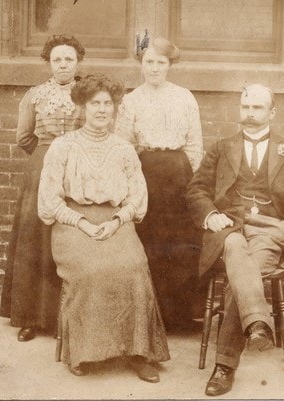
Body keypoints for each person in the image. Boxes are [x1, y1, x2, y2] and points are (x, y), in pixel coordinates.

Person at [186, 84, 284, 397]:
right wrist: (210, 215)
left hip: (271, 228)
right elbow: (196, 190)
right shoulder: (222, 147)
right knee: (236, 253)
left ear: (272, 112)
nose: (250, 114)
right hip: (228, 227)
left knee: (243, 273)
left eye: (258, 108)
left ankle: (224, 366)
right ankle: (257, 326)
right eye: (245, 107)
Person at [38, 74, 169, 380]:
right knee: (90, 270)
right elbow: (48, 201)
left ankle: (139, 353)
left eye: (107, 103)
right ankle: (83, 351)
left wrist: (116, 221)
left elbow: (137, 199)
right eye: (94, 103)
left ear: (115, 108)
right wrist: (81, 221)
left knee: (134, 267)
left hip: (115, 221)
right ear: (81, 108)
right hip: (72, 223)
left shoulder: (124, 148)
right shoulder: (62, 146)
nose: (101, 110)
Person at [0, 34, 86, 342]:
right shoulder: (35, 94)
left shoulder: (87, 93)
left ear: (78, 62)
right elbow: (24, 137)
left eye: (69, 59)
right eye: (57, 59)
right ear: (50, 63)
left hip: (79, 166)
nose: (63, 64)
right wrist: (47, 158)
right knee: (36, 239)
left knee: (73, 235)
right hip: (42, 166)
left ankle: (69, 317)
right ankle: (31, 318)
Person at [115, 37, 204, 331]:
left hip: (178, 175)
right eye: (149, 62)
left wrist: (192, 183)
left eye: (160, 63)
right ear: (141, 63)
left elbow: (194, 145)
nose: (154, 68)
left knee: (180, 245)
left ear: (169, 65)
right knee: (150, 243)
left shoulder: (184, 97)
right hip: (147, 174)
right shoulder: (131, 100)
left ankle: (180, 316)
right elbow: (124, 145)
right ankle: (150, 318)